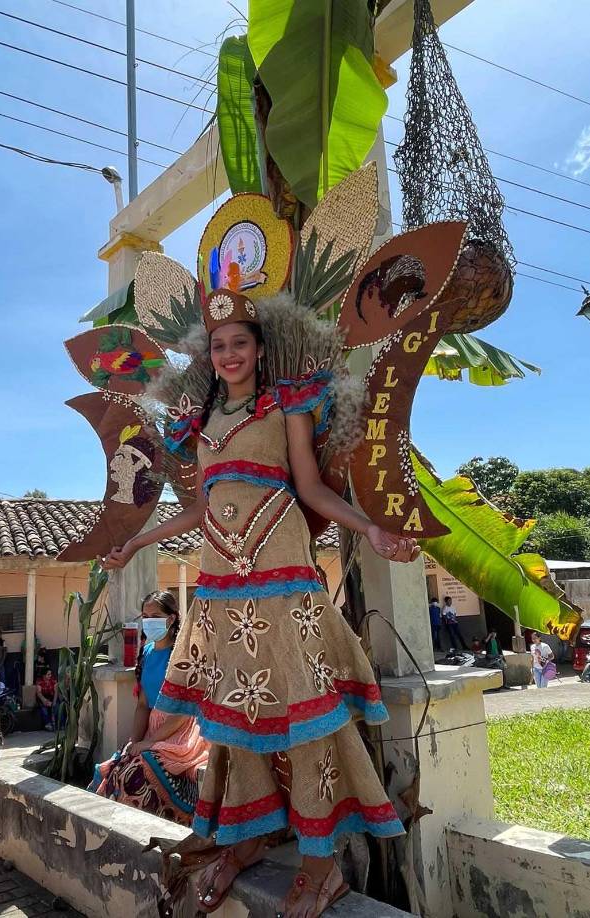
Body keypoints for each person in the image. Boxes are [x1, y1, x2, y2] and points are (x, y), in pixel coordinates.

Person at [102, 294, 419, 916]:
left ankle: (321, 867)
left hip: (282, 575)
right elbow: (200, 506)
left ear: (260, 349)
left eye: (239, 344)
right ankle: (247, 840)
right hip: (221, 586)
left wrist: (372, 530)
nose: (229, 355)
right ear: (210, 356)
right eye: (218, 346)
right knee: (234, 720)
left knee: (306, 714)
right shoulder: (202, 425)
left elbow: (310, 488)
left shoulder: (287, 405)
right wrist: (138, 538)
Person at [89, 592, 209, 825]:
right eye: (145, 615)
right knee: (115, 768)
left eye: (155, 615)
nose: (148, 621)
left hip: (181, 730)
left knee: (138, 774)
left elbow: (185, 710)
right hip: (154, 727)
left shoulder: (184, 655)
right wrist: (134, 741)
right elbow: (143, 705)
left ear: (172, 618)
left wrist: (150, 743)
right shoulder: (146, 652)